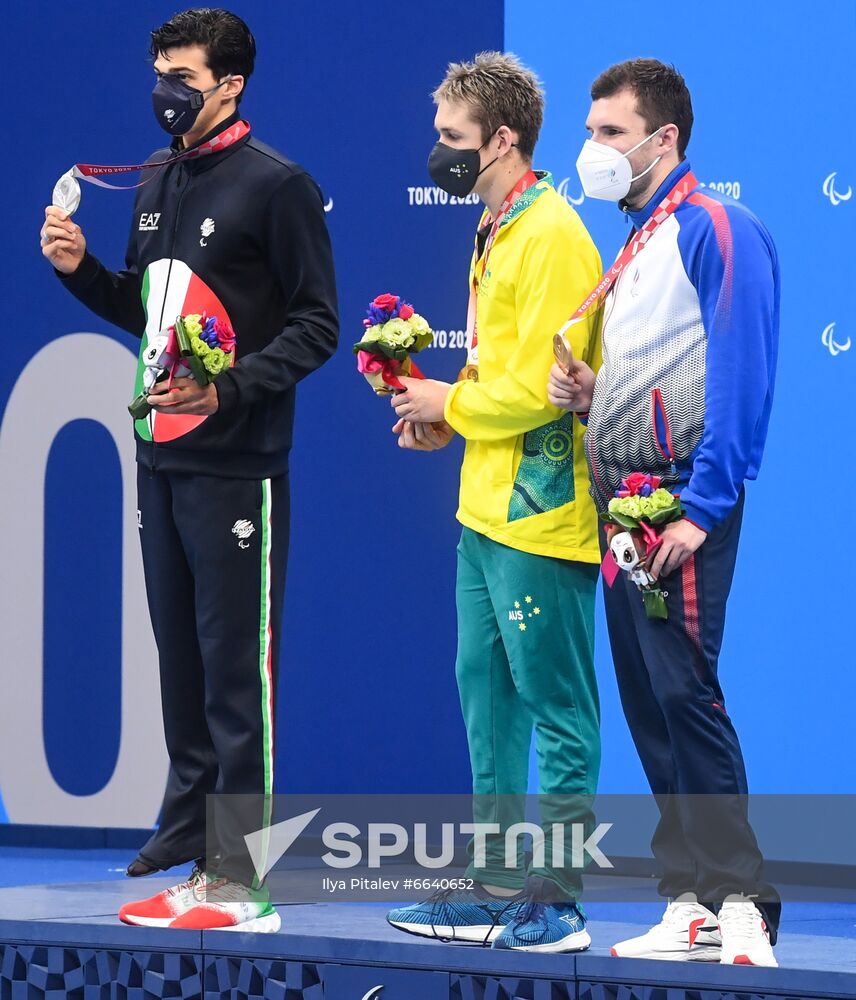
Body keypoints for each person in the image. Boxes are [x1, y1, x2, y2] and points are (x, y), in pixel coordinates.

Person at [41, 7, 338, 932]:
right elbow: (152, 311)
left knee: (235, 675)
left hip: (238, 463)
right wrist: (82, 271)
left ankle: (243, 881)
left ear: (230, 84)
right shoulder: (158, 177)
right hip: (159, 455)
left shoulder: (279, 185)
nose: (165, 90)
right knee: (182, 663)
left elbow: (317, 325)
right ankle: (196, 851)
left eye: (183, 74)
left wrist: (230, 390)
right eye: (159, 72)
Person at [548, 58, 780, 967]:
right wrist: (595, 395)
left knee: (685, 691)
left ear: (664, 138)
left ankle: (742, 902)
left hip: (677, 502)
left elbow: (740, 371)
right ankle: (688, 900)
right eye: (591, 131)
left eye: (610, 132)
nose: (593, 149)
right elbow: (663, 378)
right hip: (621, 508)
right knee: (649, 701)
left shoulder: (715, 225)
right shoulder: (639, 240)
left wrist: (703, 508)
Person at [384, 52, 602, 953]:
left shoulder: (551, 234)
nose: (436, 150)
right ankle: (496, 884)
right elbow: (495, 370)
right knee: (489, 701)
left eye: (451, 136)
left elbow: (546, 388)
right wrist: (449, 420)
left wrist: (453, 402)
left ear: (501, 139)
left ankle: (560, 900)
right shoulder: (496, 224)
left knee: (555, 708)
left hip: (540, 514)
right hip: (483, 512)